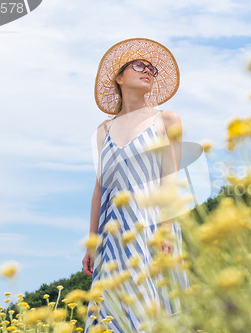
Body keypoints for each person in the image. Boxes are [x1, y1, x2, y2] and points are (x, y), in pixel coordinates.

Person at [82, 38, 190, 333]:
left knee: (150, 307)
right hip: (112, 232)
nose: (149, 71)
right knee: (108, 311)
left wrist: (166, 229)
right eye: (139, 65)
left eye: (152, 69)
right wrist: (92, 243)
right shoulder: (103, 130)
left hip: (150, 226)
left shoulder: (167, 119)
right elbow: (99, 189)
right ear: (119, 76)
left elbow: (170, 177)